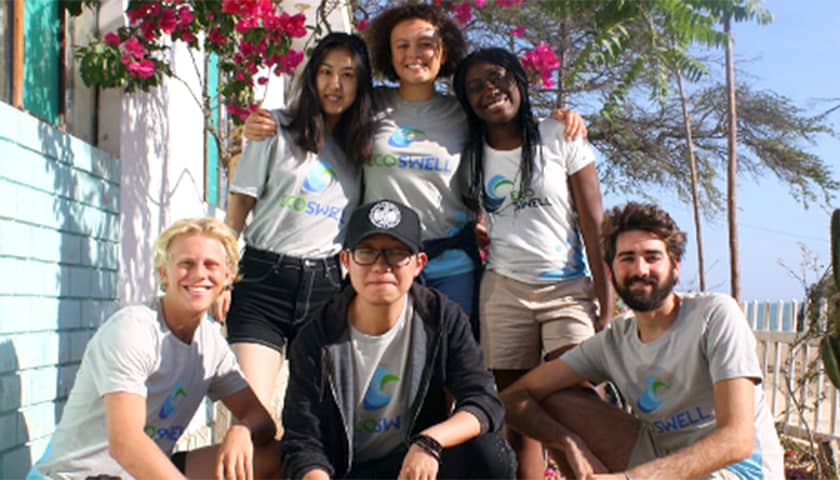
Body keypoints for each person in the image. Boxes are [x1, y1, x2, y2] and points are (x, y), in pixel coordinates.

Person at [244, 4, 586, 340]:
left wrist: (560, 119)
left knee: (451, 368)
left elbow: (509, 124)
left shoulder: (463, 114)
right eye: (402, 45)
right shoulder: (368, 105)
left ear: (444, 50)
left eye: (425, 44)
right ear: (388, 55)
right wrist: (270, 121)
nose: (415, 54)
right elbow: (321, 111)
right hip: (383, 264)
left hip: (452, 264)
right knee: (385, 368)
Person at [501, 202, 784, 479]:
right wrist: (568, 443)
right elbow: (514, 397)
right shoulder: (614, 340)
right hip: (662, 457)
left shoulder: (714, 315)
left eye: (652, 257)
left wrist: (631, 479)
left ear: (675, 267)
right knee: (555, 400)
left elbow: (737, 441)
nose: (640, 270)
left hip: (737, 471)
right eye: (627, 258)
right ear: (611, 273)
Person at [453, 47, 615, 478]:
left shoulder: (560, 134)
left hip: (567, 289)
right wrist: (481, 231)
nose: (489, 89)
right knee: (517, 412)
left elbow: (593, 222)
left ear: (520, 82)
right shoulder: (471, 155)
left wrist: (607, 301)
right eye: (475, 86)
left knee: (577, 398)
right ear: (467, 101)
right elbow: (465, 215)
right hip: (503, 290)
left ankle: (585, 467)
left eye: (497, 77)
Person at [279, 199, 516, 479]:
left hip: (413, 470)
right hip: (348, 473)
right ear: (346, 261)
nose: (381, 266)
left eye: (397, 253)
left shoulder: (441, 318)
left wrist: (430, 442)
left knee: (490, 454)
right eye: (367, 252)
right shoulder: (317, 335)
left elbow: (483, 401)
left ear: (418, 264)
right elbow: (302, 439)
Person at [29, 218, 282, 479]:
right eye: (186, 264)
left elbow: (262, 421)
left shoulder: (210, 344)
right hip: (77, 476)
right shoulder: (133, 329)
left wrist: (242, 430)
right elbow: (126, 444)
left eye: (211, 265)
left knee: (274, 457)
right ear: (164, 272)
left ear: (227, 276)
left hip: (144, 473)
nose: (199, 274)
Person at [223, 32, 374, 411]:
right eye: (325, 72)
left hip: (326, 287)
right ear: (311, 77)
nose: (334, 84)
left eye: (348, 75)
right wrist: (223, 269)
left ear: (362, 83)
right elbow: (241, 200)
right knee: (252, 416)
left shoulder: (362, 150)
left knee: (316, 417)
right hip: (263, 280)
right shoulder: (274, 127)